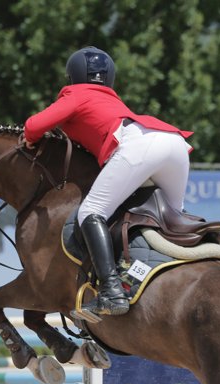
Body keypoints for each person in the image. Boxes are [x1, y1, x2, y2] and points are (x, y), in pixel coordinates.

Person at [23, 46, 193, 317]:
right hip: (173, 143)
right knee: (172, 219)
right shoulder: (113, 101)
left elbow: (33, 126)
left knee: (91, 212)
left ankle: (112, 291)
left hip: (140, 145)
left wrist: (29, 139)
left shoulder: (76, 93)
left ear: (73, 76)